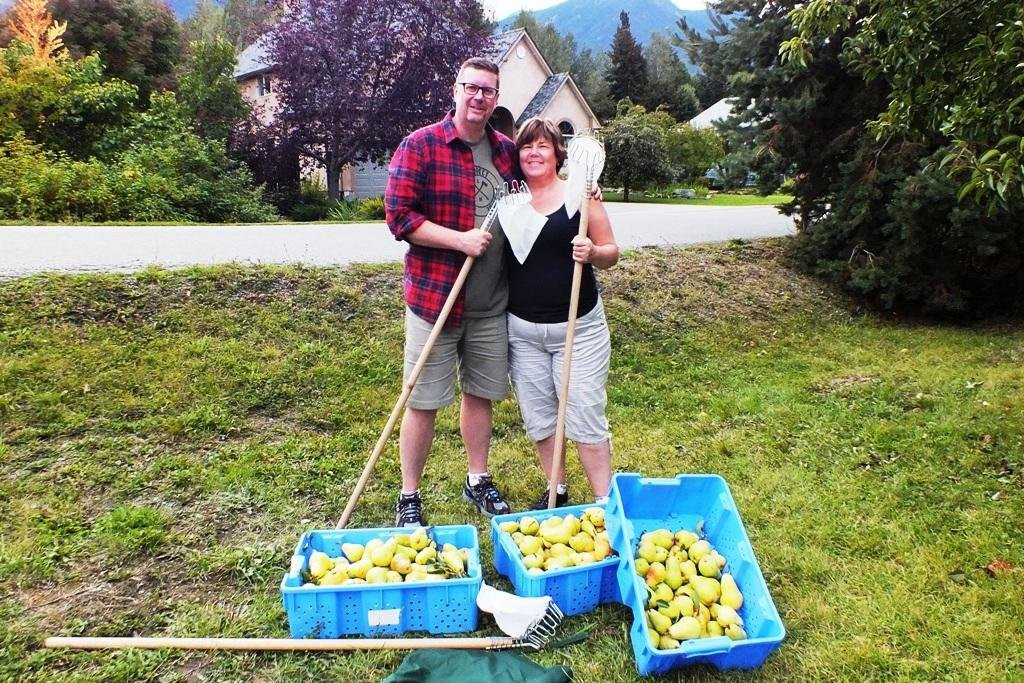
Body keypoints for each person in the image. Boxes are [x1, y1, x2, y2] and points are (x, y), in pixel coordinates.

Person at [384, 57, 520, 527]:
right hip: (435, 300)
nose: (478, 97)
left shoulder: (506, 152)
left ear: (496, 98)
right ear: (455, 90)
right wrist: (458, 239)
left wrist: (587, 193)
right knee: (422, 400)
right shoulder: (420, 146)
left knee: (479, 394)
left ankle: (477, 479)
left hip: (490, 305)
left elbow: (542, 184)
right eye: (471, 87)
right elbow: (399, 217)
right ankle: (409, 497)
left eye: (488, 90)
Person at [503, 117, 620, 509]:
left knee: (584, 413)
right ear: (517, 155)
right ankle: (557, 488)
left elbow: (611, 253)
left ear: (557, 153)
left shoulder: (581, 196)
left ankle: (606, 501)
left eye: (543, 146)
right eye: (526, 146)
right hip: (523, 333)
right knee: (540, 418)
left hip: (579, 330)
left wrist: (593, 253)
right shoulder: (507, 203)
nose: (534, 153)